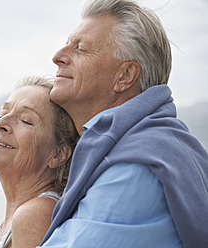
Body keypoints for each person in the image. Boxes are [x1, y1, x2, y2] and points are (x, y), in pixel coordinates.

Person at [39, 0, 208, 247]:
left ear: (125, 76)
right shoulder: (157, 143)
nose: (57, 57)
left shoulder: (137, 164)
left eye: (81, 48)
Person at [0, 75, 79, 248]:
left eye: (26, 121)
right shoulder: (20, 217)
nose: (1, 123)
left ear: (58, 155)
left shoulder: (35, 215)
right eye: (3, 113)